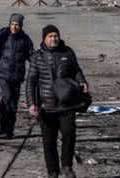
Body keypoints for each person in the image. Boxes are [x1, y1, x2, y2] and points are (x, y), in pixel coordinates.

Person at [27, 25, 89, 178]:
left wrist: (82, 81)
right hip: (46, 106)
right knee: (49, 141)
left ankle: (67, 166)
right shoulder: (37, 56)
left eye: (55, 35)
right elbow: (31, 81)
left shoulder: (67, 52)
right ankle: (53, 171)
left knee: (69, 134)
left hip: (66, 103)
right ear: (44, 39)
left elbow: (76, 71)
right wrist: (31, 103)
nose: (53, 39)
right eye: (50, 36)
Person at [0, 13, 34, 139]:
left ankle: (9, 130)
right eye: (12, 24)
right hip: (2, 74)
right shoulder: (2, 37)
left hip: (17, 76)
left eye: (17, 25)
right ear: (9, 24)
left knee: (13, 103)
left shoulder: (25, 40)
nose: (14, 27)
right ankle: (2, 129)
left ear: (21, 26)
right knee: (7, 97)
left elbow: (31, 57)